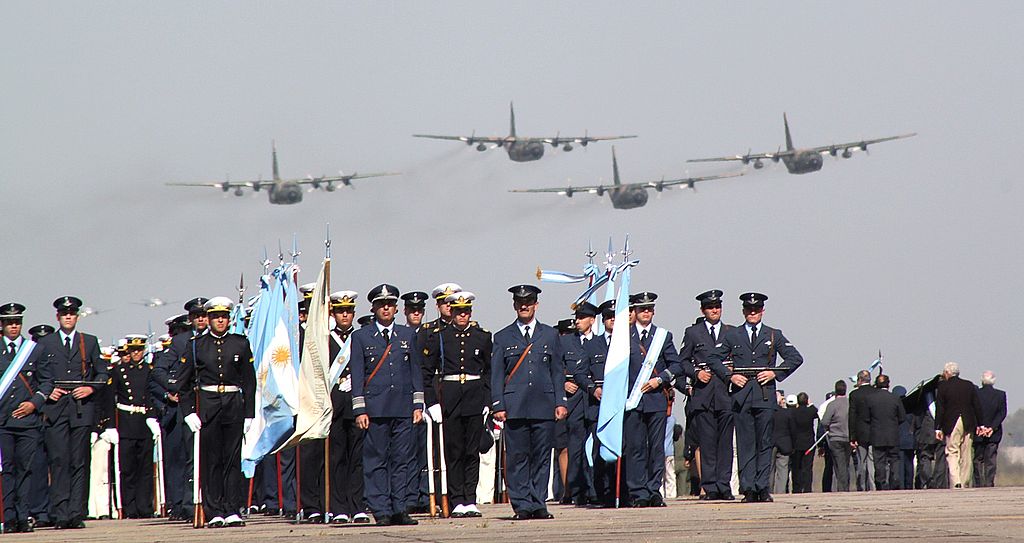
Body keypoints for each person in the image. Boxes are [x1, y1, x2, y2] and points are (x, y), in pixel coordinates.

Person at [708, 292, 803, 503]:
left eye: (756, 310)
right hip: (741, 396)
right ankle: (749, 488)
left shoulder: (773, 334)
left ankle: (762, 488)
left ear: (762, 311)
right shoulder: (733, 335)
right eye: (749, 310)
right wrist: (730, 376)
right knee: (745, 444)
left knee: (765, 442)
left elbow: (795, 358)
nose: (753, 313)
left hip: (764, 394)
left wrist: (775, 373)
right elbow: (713, 358)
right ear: (743, 311)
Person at [490, 284, 567, 520]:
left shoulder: (550, 335)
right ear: (514, 305)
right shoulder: (502, 337)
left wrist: (560, 402)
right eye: (520, 303)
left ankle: (538, 503)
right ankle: (522, 505)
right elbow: (496, 374)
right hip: (515, 406)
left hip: (544, 404)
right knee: (517, 457)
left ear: (536, 305)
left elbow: (557, 371)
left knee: (542, 456)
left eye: (529, 302)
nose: (524, 306)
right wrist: (498, 405)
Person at [350, 284, 425, 526]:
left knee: (402, 460)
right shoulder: (361, 337)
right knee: (376, 461)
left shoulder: (407, 335)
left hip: (403, 407)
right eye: (381, 305)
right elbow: (357, 375)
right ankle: (381, 510)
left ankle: (399, 508)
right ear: (373, 308)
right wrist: (360, 409)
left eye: (390, 304)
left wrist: (418, 405)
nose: (386, 308)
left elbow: (415, 371)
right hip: (375, 409)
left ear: (396, 308)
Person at [178, 297, 256, 528]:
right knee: (211, 460)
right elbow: (183, 383)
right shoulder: (196, 345)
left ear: (229, 319)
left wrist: (249, 413)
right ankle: (214, 511)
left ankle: (232, 509)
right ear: (209, 319)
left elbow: (249, 381)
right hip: (208, 406)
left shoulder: (240, 343)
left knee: (232, 459)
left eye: (223, 317)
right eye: (215, 317)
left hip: (233, 405)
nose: (220, 321)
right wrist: (188, 412)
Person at [37, 296, 107, 529]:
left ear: (77, 317)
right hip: (56, 408)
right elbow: (37, 375)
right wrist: (47, 392)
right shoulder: (45, 343)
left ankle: (76, 513)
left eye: (72, 313)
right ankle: (60, 513)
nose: (68, 317)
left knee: (79, 461)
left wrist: (90, 388)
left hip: (80, 408)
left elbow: (102, 374)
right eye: (64, 314)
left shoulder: (89, 341)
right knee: (58, 460)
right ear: (57, 317)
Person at [422, 292, 492, 517]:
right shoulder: (439, 337)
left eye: (466, 311)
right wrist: (432, 402)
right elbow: (426, 373)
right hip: (450, 399)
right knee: (454, 452)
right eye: (459, 311)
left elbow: (489, 371)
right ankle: (456, 500)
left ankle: (469, 499)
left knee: (472, 451)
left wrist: (487, 400)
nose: (463, 315)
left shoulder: (482, 337)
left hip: (474, 398)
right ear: (451, 312)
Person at [151, 298, 209, 521]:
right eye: (196, 316)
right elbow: (159, 371)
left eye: (204, 315)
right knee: (190, 457)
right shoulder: (181, 341)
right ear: (191, 319)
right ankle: (189, 505)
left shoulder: (221, 338)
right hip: (189, 404)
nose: (201, 319)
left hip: (214, 402)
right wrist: (174, 388)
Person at [678, 290, 735, 501]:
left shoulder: (732, 332)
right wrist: (695, 373)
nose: (714, 310)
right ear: (703, 310)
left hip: (726, 394)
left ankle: (724, 486)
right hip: (703, 395)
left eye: (717, 306)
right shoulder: (693, 333)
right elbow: (682, 361)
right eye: (710, 307)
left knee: (725, 444)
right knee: (707, 444)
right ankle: (710, 486)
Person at [0, 303, 47, 533]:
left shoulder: (34, 350)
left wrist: (33, 404)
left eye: (17, 322)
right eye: (9, 322)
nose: (13, 326)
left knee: (25, 469)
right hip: (3, 421)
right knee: (7, 470)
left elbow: (46, 382)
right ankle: (9, 518)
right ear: (2, 325)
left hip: (28, 421)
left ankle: (23, 516)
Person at [325, 291, 369, 524]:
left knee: (357, 458)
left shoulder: (360, 338)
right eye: (341, 311)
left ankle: (357, 506)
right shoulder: (325, 339)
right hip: (334, 405)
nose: (345, 315)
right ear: (333, 314)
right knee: (337, 457)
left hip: (356, 403)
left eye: (348, 311)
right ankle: (339, 507)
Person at [108, 334, 160, 518]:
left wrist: (153, 417)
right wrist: (110, 425)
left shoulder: (149, 370)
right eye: (133, 350)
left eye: (139, 350)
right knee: (128, 468)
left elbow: (152, 395)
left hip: (144, 421)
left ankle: (144, 506)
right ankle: (129, 507)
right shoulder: (118, 371)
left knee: (145, 468)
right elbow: (110, 399)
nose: (136, 353)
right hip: (126, 421)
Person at [575, 300, 616, 507]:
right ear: (602, 320)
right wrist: (593, 389)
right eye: (608, 317)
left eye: (615, 317)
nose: (612, 320)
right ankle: (601, 493)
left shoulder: (629, 344)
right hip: (597, 407)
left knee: (624, 450)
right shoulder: (592, 345)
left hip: (623, 408)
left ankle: (622, 492)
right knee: (599, 451)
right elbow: (580, 374)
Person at [559, 302, 597, 506]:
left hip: (593, 401)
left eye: (582, 318)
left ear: (592, 320)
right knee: (575, 447)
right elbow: (555, 368)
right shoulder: (565, 342)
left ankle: (595, 489)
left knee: (596, 446)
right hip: (574, 401)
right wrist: (563, 383)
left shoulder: (600, 342)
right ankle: (578, 490)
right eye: (577, 317)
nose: (577, 321)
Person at [934, 362, 982, 489]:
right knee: (967, 453)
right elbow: (976, 405)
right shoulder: (969, 385)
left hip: (951, 422)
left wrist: (937, 427)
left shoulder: (943, 387)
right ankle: (965, 480)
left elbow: (940, 409)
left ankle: (956, 481)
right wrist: (981, 424)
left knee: (952, 451)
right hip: (968, 422)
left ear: (947, 373)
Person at [865, 374, 905, 490]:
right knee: (894, 459)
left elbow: (866, 418)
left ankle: (880, 483)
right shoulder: (895, 398)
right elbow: (902, 417)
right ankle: (895, 480)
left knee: (879, 461)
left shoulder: (870, 399)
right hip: (892, 434)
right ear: (888, 384)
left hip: (877, 435)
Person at [973, 371, 1007, 487]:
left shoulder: (976, 394)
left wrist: (980, 426)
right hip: (994, 432)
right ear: (993, 380)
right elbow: (1002, 413)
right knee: (991, 459)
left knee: (978, 459)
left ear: (982, 380)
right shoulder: (1000, 395)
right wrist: (992, 428)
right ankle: (989, 482)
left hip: (978, 431)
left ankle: (979, 482)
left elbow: (973, 411)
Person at [847, 369, 876, 491]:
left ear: (859, 380)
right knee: (872, 461)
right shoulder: (876, 392)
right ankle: (873, 487)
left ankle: (862, 487)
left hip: (860, 433)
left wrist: (852, 437)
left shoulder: (854, 395)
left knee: (861, 462)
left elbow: (852, 416)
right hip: (874, 432)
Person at [820, 380, 852, 491]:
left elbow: (824, 421)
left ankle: (843, 488)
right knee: (846, 463)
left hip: (835, 437)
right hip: (848, 437)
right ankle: (845, 486)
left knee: (839, 464)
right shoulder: (850, 403)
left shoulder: (832, 405)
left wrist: (830, 428)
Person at [788, 392, 817, 493]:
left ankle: (797, 488)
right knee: (808, 467)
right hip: (809, 443)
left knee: (796, 467)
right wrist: (811, 404)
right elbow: (816, 412)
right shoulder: (810, 411)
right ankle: (807, 488)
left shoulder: (793, 412)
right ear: (807, 400)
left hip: (796, 443)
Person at [772, 394, 794, 494]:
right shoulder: (787, 413)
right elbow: (792, 429)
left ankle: (769, 491)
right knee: (783, 470)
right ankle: (780, 492)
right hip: (785, 444)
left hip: (770, 443)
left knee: (769, 470)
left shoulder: (769, 413)